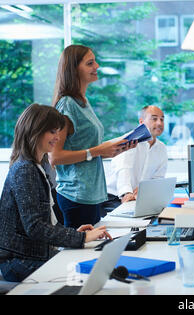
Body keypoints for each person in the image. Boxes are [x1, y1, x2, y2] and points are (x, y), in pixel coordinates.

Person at [0, 104, 111, 282]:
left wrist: (73, 233)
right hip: (18, 262)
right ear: (34, 131)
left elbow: (45, 223)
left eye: (58, 131)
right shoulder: (25, 170)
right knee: (87, 274)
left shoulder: (36, 167)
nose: (58, 137)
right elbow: (35, 227)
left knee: (93, 265)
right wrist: (80, 238)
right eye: (52, 131)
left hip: (33, 255)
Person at [49, 45, 136, 229]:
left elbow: (85, 148)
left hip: (92, 194)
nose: (97, 66)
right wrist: (96, 151)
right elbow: (55, 157)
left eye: (95, 61)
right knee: (81, 252)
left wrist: (112, 150)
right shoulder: (66, 104)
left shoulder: (83, 102)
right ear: (74, 69)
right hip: (76, 195)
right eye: (90, 63)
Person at [104, 105, 168, 210]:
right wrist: (126, 193)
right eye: (154, 118)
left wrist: (146, 189)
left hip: (138, 197)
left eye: (162, 119)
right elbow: (123, 170)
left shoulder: (162, 148)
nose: (159, 123)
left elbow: (158, 178)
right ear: (141, 122)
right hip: (114, 197)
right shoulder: (130, 140)